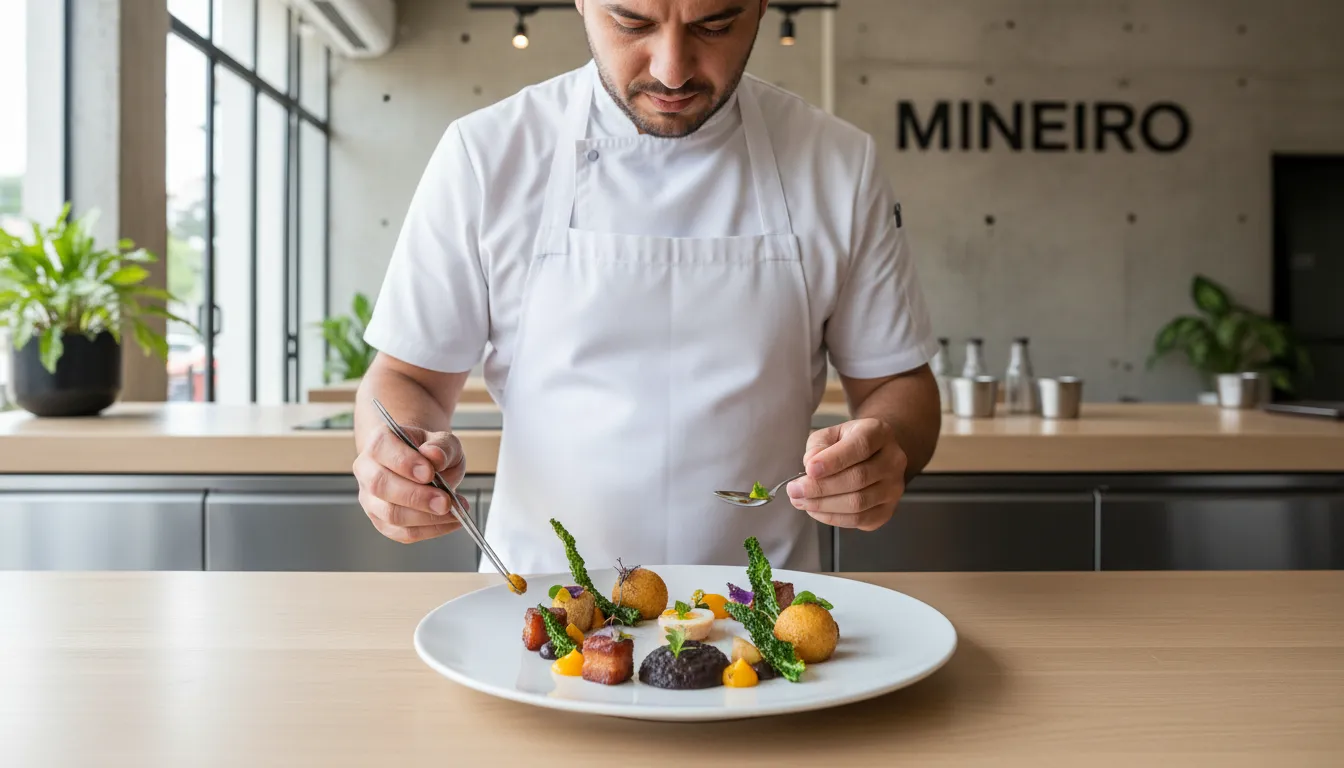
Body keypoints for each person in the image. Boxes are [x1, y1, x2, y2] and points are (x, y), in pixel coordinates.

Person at [353, 0, 941, 574]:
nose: (672, 70)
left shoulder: (840, 163)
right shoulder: (485, 154)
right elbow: (407, 377)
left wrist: (884, 451)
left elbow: (898, 382)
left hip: (762, 613)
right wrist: (399, 459)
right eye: (631, 23)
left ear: (763, 5)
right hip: (543, 606)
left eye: (715, 25)